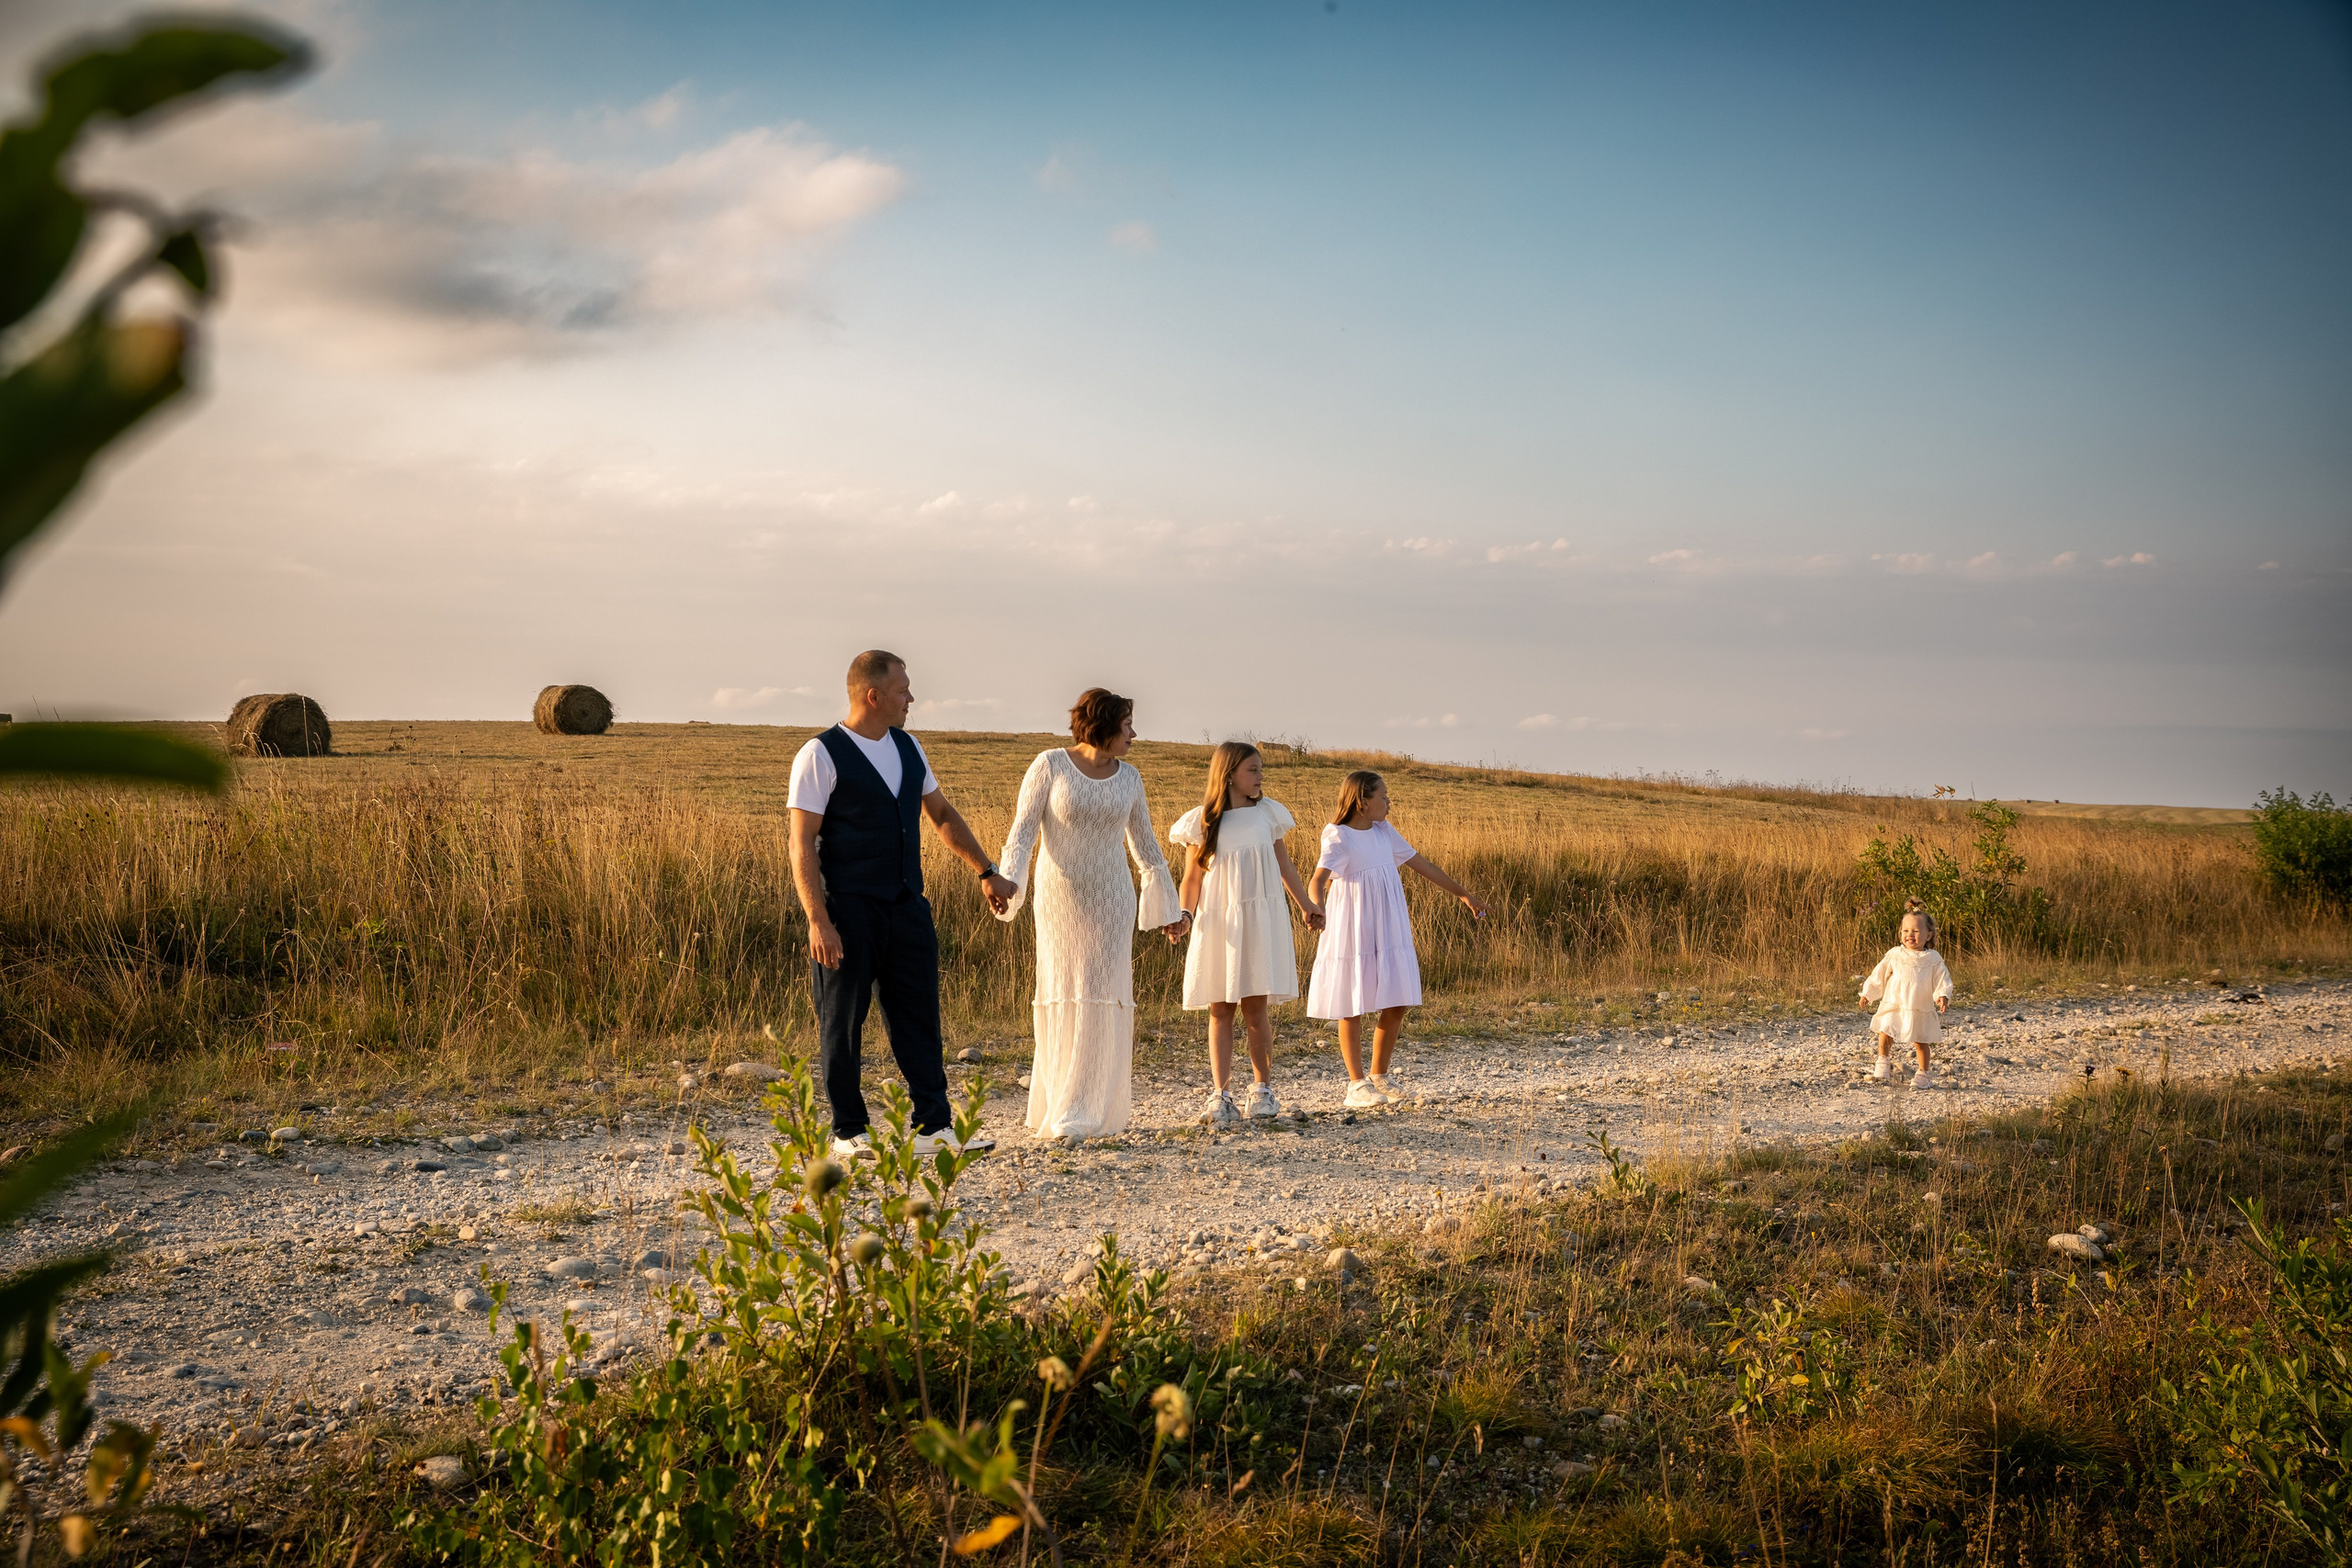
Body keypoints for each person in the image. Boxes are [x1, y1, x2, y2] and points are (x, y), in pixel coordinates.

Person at [787, 649, 1012, 1160]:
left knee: (919, 1015)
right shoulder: (820, 755)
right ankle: (848, 1129)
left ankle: (933, 1127)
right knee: (843, 1018)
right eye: (903, 689)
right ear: (874, 695)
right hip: (847, 908)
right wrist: (817, 920)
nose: (912, 697)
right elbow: (801, 844)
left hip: (908, 904)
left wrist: (986, 871)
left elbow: (941, 813)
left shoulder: (909, 748)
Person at [990, 689, 1186, 1141]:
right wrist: (1009, 885)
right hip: (1059, 901)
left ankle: (1085, 1107)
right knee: (1063, 988)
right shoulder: (1050, 765)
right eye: (1127, 725)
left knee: (1101, 992)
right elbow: (1021, 836)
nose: (1134, 734)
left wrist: (1169, 909)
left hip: (1112, 900)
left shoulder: (1130, 778)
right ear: (1102, 724)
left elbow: (1147, 846)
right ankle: (1058, 1101)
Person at [1305, 769, 1488, 1109]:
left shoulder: (1383, 832)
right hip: (1354, 924)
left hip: (1388, 924)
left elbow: (1424, 865)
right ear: (1362, 802)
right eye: (1384, 796)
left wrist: (1464, 895)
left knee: (1397, 998)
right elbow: (1319, 877)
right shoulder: (1339, 836)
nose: (1389, 802)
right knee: (1352, 1001)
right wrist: (1315, 906)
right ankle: (1356, 1085)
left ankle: (1379, 1076)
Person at [1169, 741, 1323, 1128]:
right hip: (1220, 920)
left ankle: (1262, 1089)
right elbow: (1192, 877)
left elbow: (1284, 866)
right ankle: (1220, 1095)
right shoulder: (1202, 821)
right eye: (1253, 770)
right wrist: (1184, 914)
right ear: (1230, 774)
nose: (1260, 776)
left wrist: (1306, 904)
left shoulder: (1267, 814)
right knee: (1220, 1009)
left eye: (1260, 770)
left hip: (1259, 918)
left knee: (1256, 1009)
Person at [1860, 899, 1952, 1089]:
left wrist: (1942, 995)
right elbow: (1879, 974)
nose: (1910, 935)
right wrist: (1868, 993)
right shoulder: (1895, 954)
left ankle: (1923, 1073)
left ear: (1928, 935)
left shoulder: (1933, 958)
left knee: (1921, 1040)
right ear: (1900, 933)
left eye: (1916, 931)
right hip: (1894, 1002)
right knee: (1886, 1030)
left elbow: (1943, 978)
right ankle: (1883, 1061)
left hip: (1919, 1006)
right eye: (1905, 931)